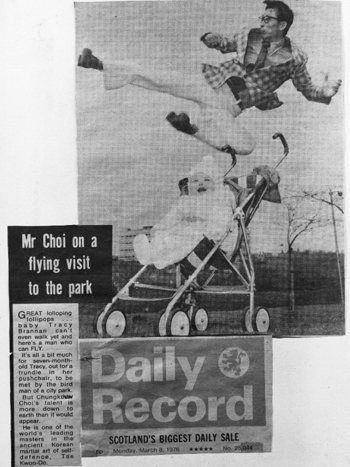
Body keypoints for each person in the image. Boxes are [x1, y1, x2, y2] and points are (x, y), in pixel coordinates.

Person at [78, 1, 341, 155]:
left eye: (267, 18)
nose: (261, 22)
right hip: (210, 81)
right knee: (159, 76)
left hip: (229, 105)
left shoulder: (295, 58)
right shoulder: (251, 35)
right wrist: (211, 38)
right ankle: (98, 63)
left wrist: (325, 93)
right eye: (261, 17)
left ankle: (190, 128)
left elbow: (308, 90)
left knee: (246, 146)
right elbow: (225, 43)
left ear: (282, 25)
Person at [133, 156, 238, 269]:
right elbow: (173, 216)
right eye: (195, 181)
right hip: (189, 237)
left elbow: (223, 223)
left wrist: (201, 223)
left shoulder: (218, 202)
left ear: (215, 185)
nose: (201, 183)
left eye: (207, 180)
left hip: (212, 245)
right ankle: (151, 253)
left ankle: (156, 256)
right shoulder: (189, 202)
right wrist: (159, 228)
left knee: (183, 236)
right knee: (167, 235)